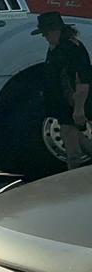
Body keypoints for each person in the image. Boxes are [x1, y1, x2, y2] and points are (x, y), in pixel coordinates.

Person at [35, 11, 92, 170]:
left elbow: (82, 80)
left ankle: (74, 184)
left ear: (56, 30)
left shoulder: (72, 49)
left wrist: (79, 109)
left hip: (72, 105)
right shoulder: (55, 48)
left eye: (46, 33)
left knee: (72, 152)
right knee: (80, 142)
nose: (44, 37)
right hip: (63, 106)